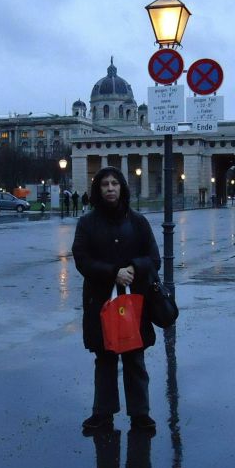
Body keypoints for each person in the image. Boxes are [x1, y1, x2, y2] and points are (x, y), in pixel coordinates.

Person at [72, 167, 160, 434]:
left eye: (115, 184)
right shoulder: (87, 223)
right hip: (101, 301)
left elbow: (153, 258)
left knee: (135, 356)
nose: (110, 188)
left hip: (134, 300)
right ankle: (103, 412)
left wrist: (133, 268)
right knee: (105, 357)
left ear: (122, 188)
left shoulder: (138, 222)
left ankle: (140, 414)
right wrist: (113, 273)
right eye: (104, 185)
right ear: (98, 190)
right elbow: (82, 260)